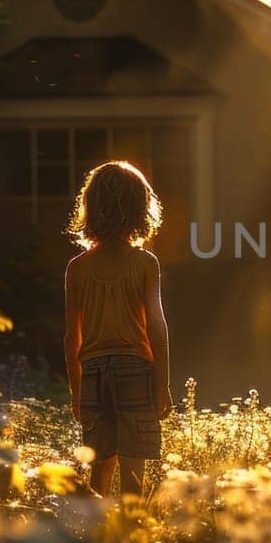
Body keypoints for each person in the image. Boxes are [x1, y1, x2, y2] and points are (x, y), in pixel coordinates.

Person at [63, 161, 173, 496]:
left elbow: (72, 337)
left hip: (93, 371)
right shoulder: (144, 264)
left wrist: (76, 391)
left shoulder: (77, 268)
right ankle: (131, 532)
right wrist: (162, 383)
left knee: (101, 462)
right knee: (133, 460)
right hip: (136, 370)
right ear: (140, 210)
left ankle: (98, 531)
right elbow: (156, 325)